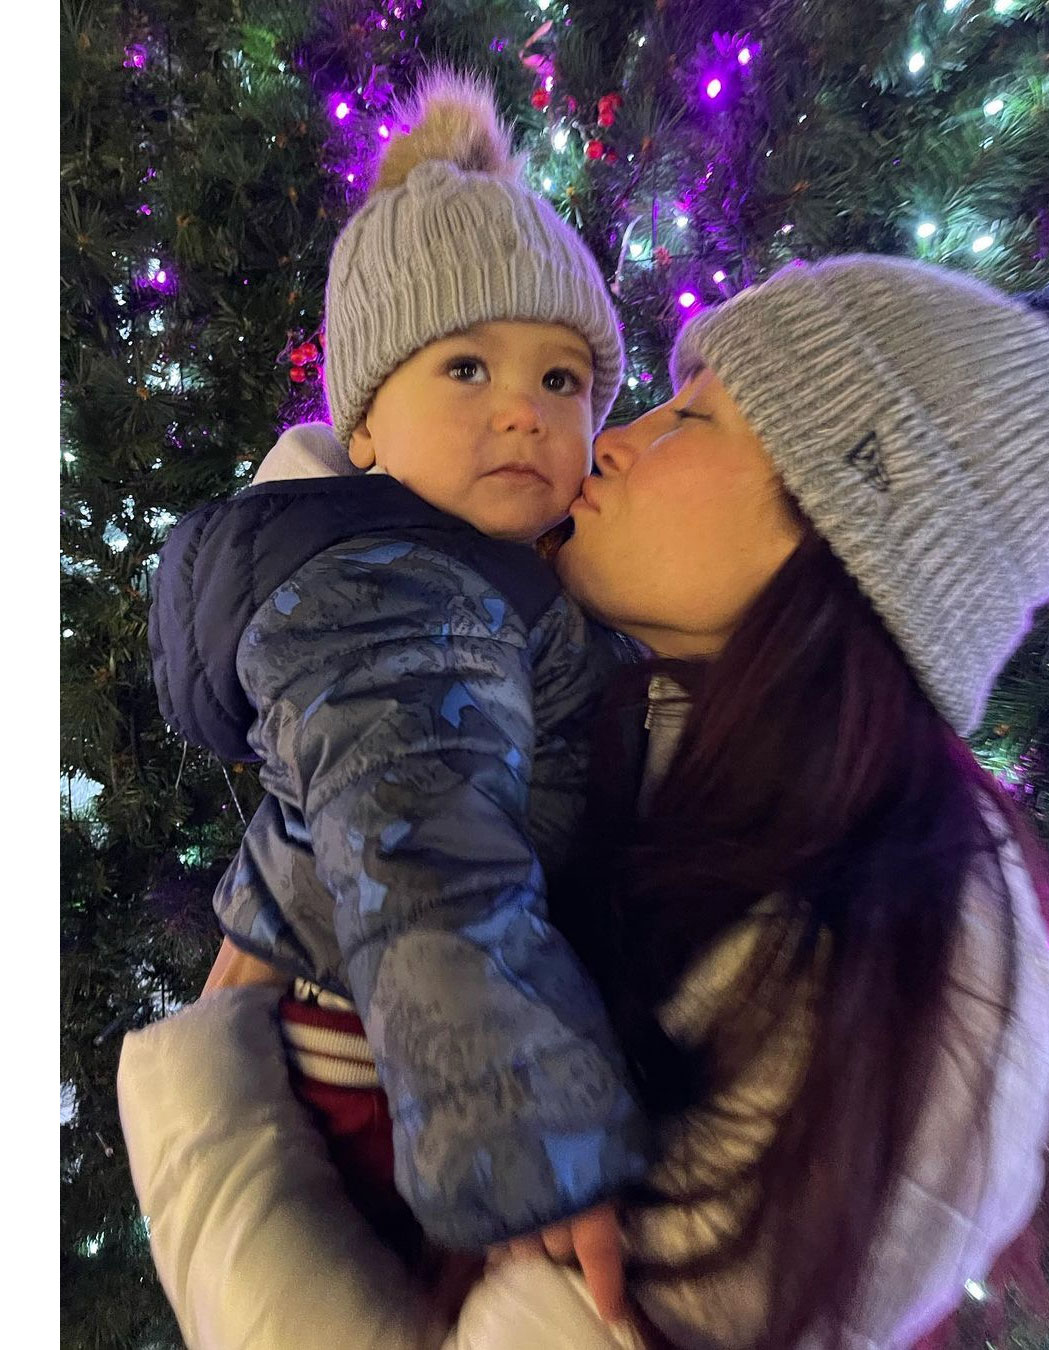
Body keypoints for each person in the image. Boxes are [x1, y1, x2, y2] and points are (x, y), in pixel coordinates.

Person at [120, 249, 1049, 1349]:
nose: (607, 439)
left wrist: (205, 1104)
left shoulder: (924, 968)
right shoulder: (614, 716)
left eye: (693, 418)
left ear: (848, 527)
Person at [142, 68, 649, 1308]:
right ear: (364, 426)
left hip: (394, 1026)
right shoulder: (397, 589)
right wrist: (534, 1139)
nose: (524, 413)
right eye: (466, 368)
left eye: (562, 381)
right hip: (390, 1068)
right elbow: (426, 851)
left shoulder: (469, 573)